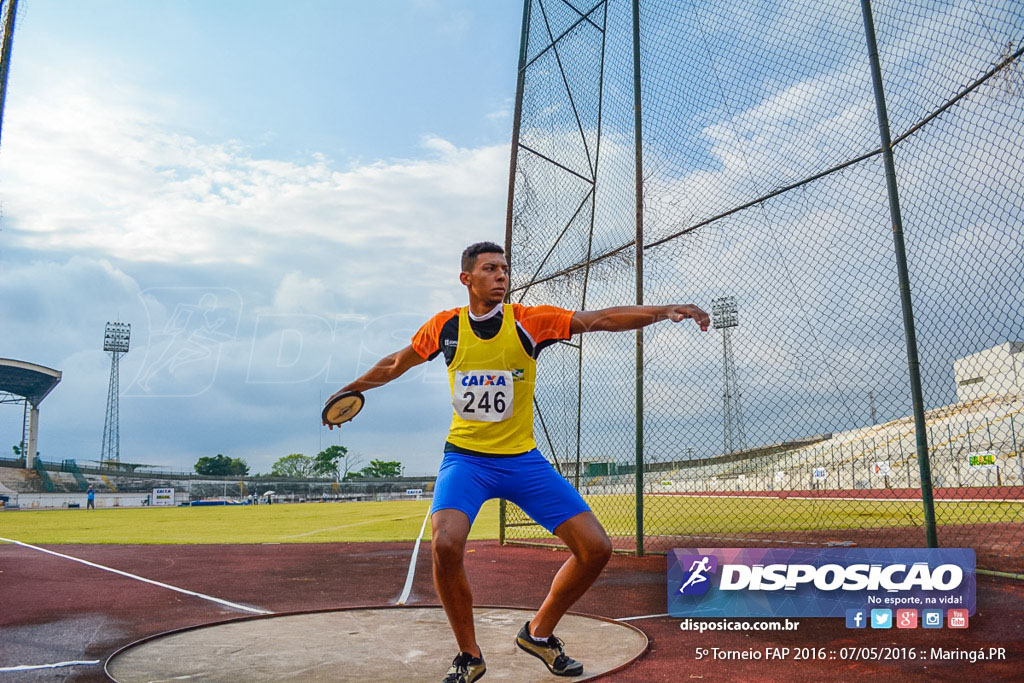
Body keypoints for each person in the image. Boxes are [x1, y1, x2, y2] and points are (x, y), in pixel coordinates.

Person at [325, 242, 709, 682]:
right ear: (467, 278)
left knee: (596, 549)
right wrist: (348, 392)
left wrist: (664, 310)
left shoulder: (529, 321)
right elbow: (397, 361)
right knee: (446, 542)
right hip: (466, 461)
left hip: (523, 461)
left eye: (505, 269)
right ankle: (470, 656)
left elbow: (598, 319)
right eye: (490, 269)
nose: (501, 275)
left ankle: (539, 634)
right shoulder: (445, 327)